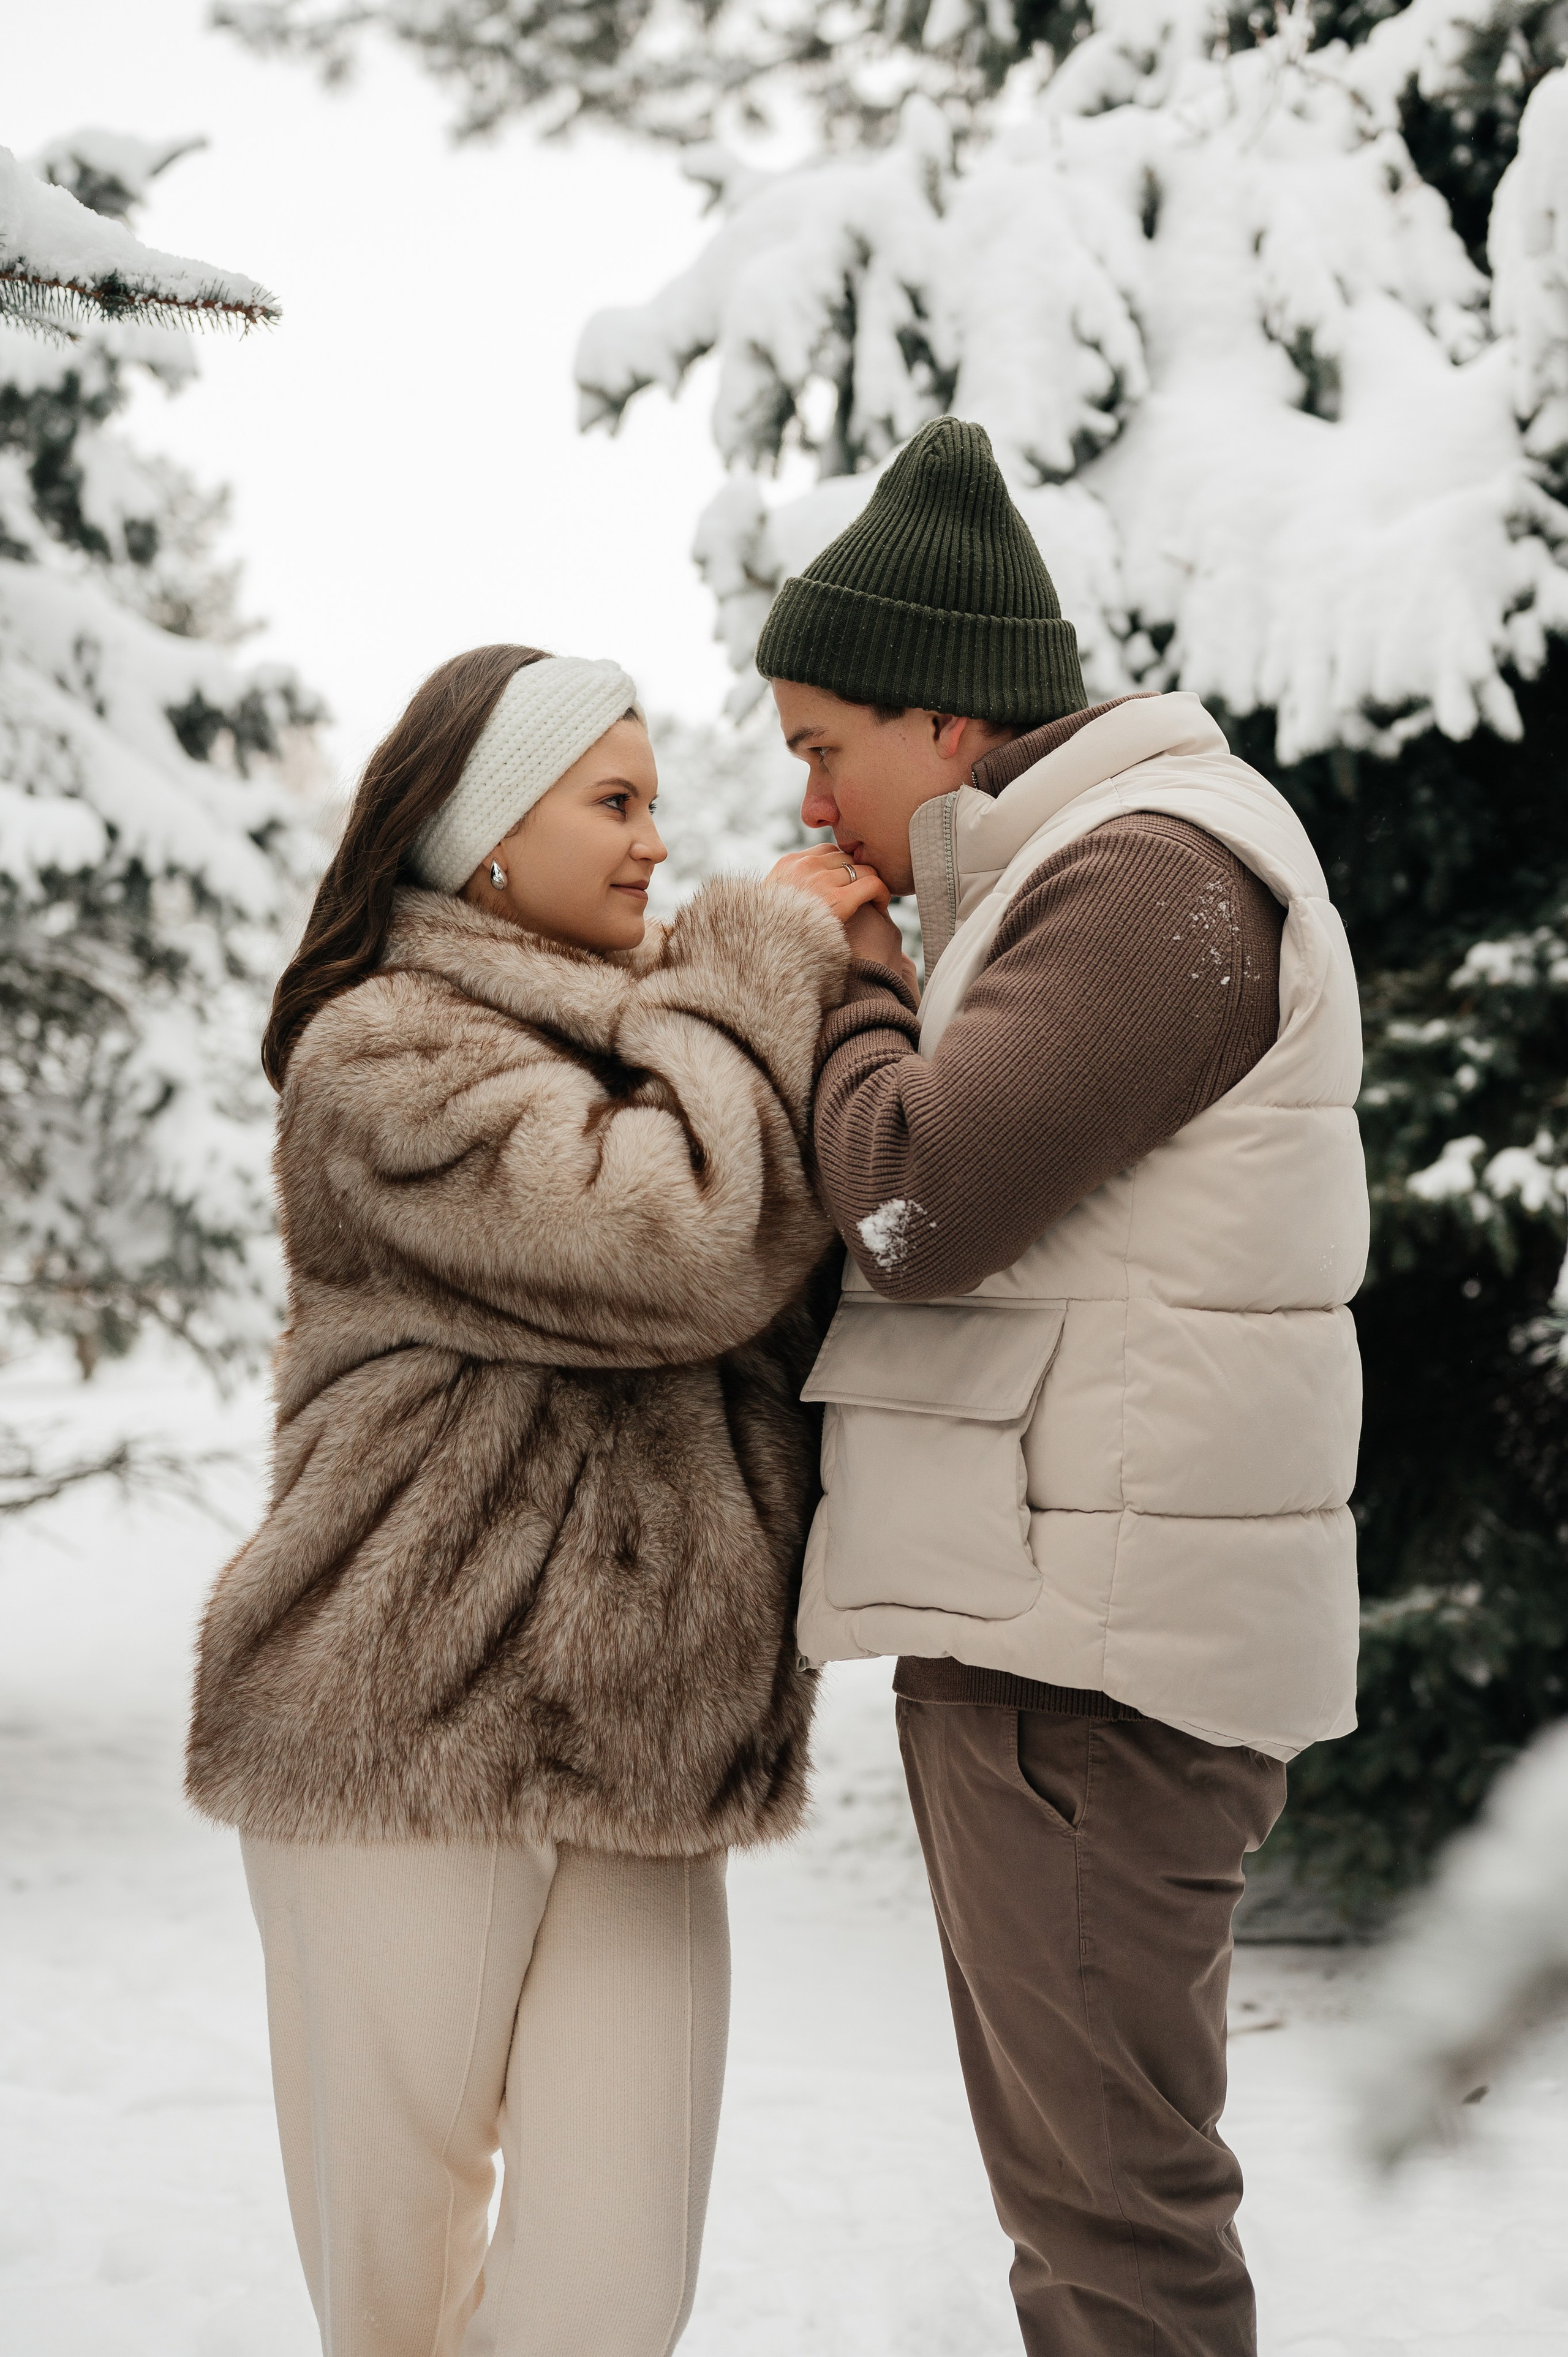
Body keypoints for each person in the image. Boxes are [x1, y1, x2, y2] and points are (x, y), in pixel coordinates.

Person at [185, 644, 887, 2357]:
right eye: (615, 803)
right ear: (487, 832)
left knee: (610, 2301)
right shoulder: (380, 1057)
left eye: (659, 801)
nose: (659, 842)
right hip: (395, 1739)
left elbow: (798, 1286)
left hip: (651, 1758)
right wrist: (765, 960)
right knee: (401, 2300)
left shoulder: (668, 1035)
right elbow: (676, 1241)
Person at [761, 419, 1368, 2356]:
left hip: (1092, 1675)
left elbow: (916, 1204)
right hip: (1062, 1642)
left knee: (1113, 2227)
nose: (805, 787)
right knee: (1087, 2211)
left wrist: (845, 973)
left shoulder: (1154, 880)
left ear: (945, 729)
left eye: (819, 743)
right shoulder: (1100, 879)